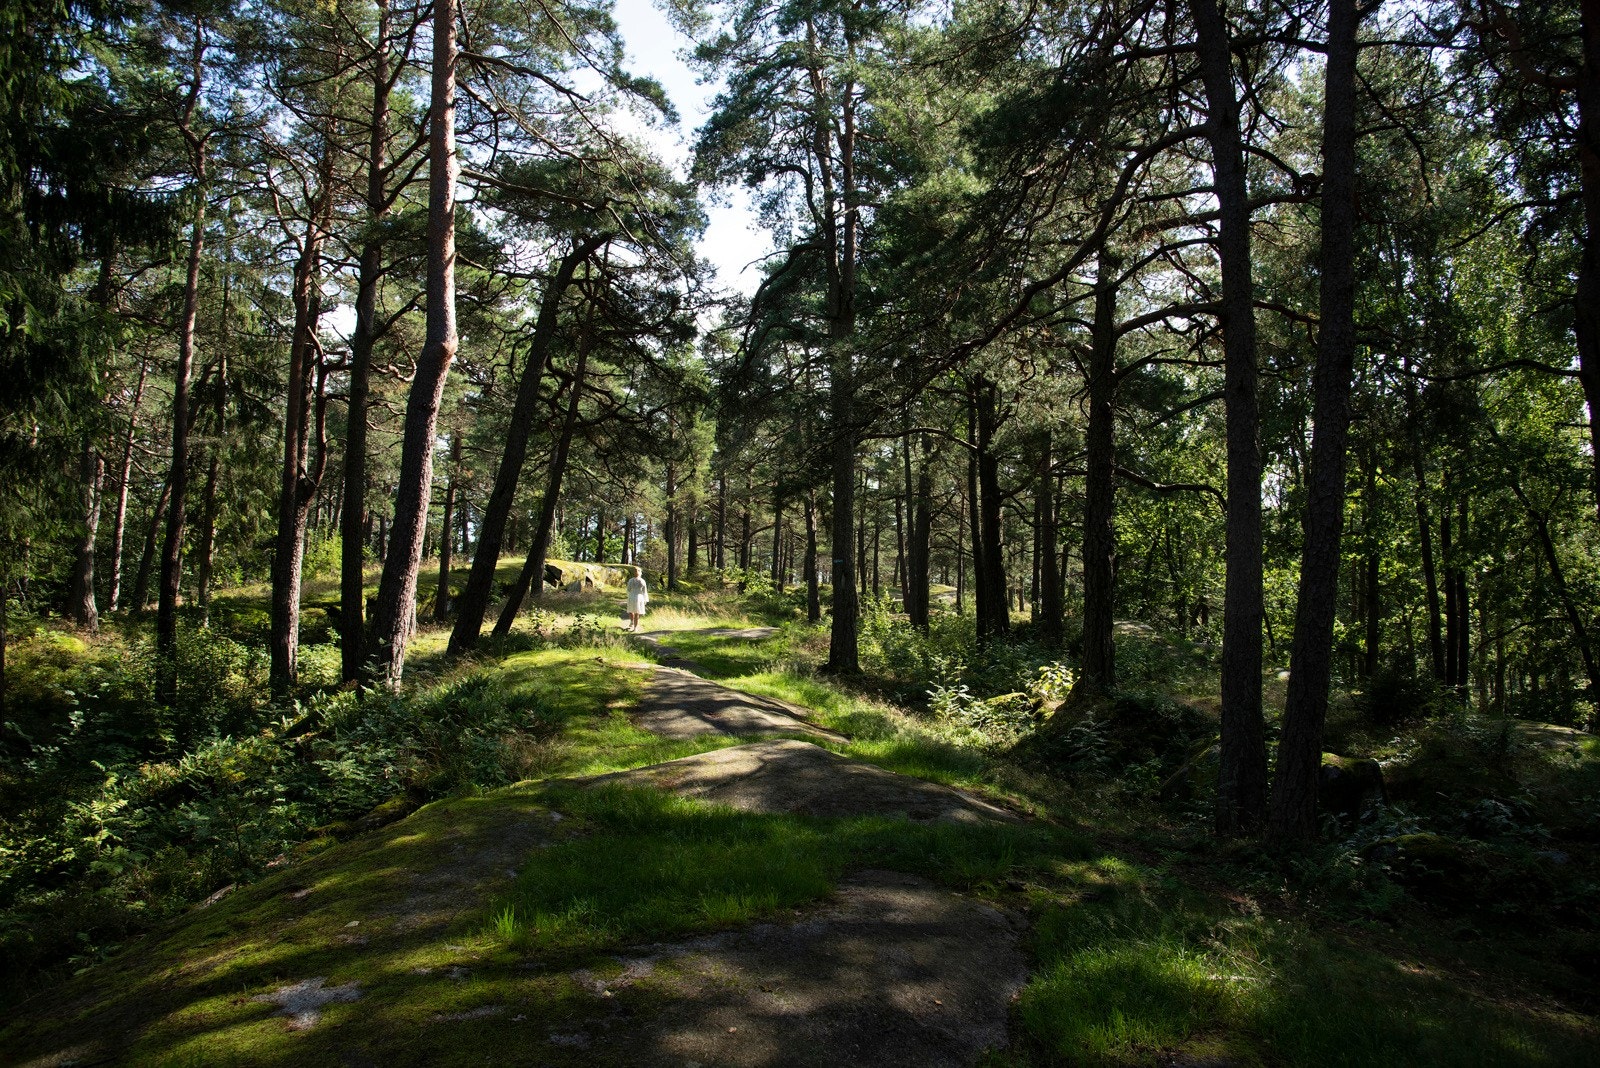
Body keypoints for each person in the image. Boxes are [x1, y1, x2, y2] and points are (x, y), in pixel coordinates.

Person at [625, 566, 649, 631]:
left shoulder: (630, 580)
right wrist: (645, 599)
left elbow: (628, 589)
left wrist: (629, 595)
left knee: (630, 610)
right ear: (640, 573)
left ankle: (631, 621)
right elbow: (644, 591)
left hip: (632, 596)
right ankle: (635, 628)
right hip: (639, 597)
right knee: (637, 613)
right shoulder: (642, 581)